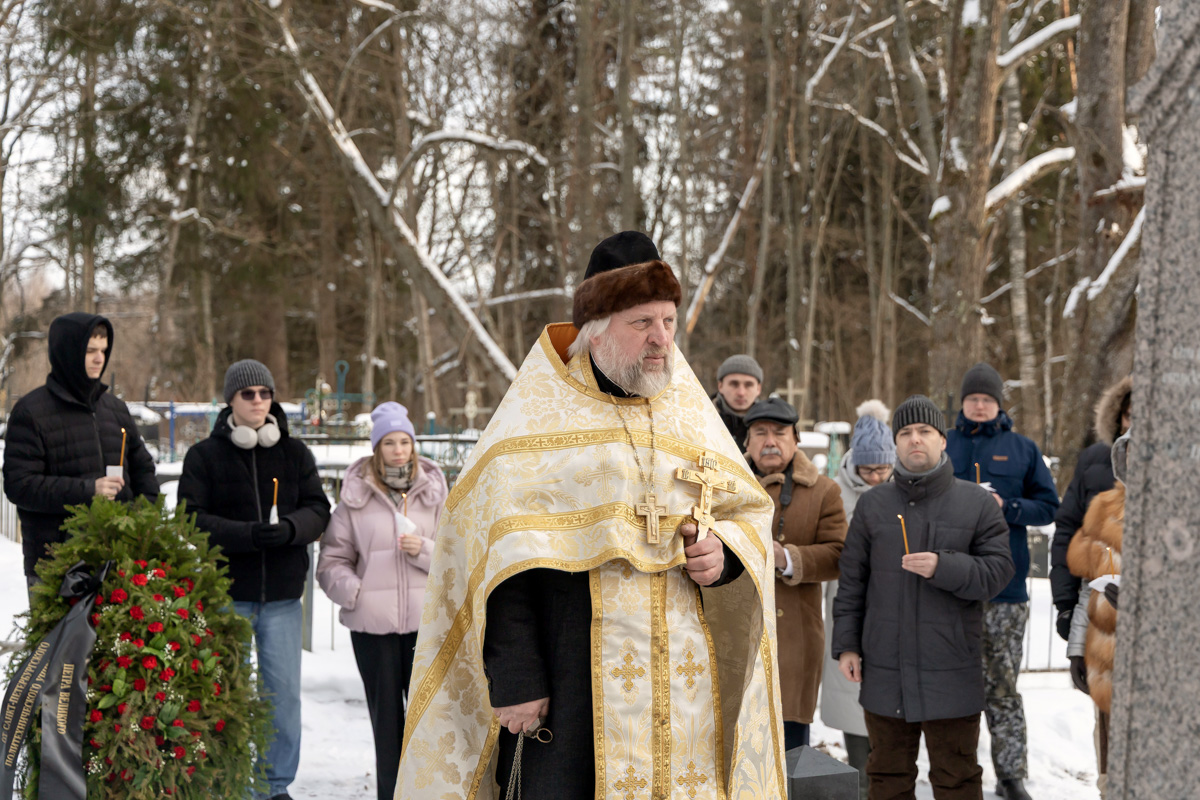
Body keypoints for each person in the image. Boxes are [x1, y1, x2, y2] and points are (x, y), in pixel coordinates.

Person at [396, 231, 783, 800]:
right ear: (597, 329)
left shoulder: (688, 414)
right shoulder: (535, 421)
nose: (662, 340)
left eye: (669, 321)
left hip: (680, 693)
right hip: (569, 679)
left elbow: (746, 511)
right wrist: (517, 677)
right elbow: (498, 561)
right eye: (642, 323)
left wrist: (722, 553)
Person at [833, 394, 1014, 800]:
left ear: (942, 440)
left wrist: (943, 567)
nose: (916, 439)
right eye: (906, 432)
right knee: (888, 778)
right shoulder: (873, 505)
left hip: (951, 668)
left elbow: (998, 571)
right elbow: (852, 582)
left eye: (925, 431)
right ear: (895, 442)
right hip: (885, 669)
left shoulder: (977, 504)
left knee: (957, 780)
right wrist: (847, 645)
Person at [177, 359, 331, 800]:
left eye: (265, 393)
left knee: (282, 699)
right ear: (230, 401)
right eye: (249, 394)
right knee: (225, 698)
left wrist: (290, 530)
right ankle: (227, 782)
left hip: (283, 599)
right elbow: (190, 519)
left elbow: (319, 510)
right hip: (227, 598)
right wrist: (245, 536)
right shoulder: (204, 456)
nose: (259, 402)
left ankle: (272, 785)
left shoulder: (295, 453)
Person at [316, 401, 448, 800]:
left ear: (413, 446)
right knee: (386, 724)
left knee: (427, 722)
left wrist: (423, 550)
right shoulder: (354, 500)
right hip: (372, 630)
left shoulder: (434, 494)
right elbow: (331, 562)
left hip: (425, 629)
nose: (398, 450)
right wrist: (357, 593)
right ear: (377, 448)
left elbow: (457, 555)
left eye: (404, 441)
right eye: (389, 442)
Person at [944, 363, 1059, 800]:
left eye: (986, 399)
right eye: (972, 399)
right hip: (950, 588)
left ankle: (1011, 775)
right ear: (963, 402)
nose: (979, 405)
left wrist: (1005, 505)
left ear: (997, 404)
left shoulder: (1022, 449)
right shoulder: (945, 444)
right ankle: (955, 771)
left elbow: (1048, 507)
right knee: (952, 685)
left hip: (1005, 592)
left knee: (1003, 686)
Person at [2, 312, 158, 602]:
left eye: (103, 350)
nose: (99, 358)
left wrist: (140, 519)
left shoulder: (115, 409)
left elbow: (143, 468)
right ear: (66, 352)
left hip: (118, 558)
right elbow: (20, 485)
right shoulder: (31, 412)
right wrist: (89, 490)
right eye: (89, 351)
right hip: (55, 565)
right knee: (58, 649)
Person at [744, 397, 846, 752]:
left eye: (779, 432)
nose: (770, 441)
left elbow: (839, 554)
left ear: (796, 439)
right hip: (735, 638)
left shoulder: (825, 492)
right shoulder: (725, 485)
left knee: (789, 752)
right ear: (747, 442)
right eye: (760, 433)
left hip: (794, 642)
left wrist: (785, 557)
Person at [824, 399, 894, 799]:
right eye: (868, 469)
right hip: (849, 603)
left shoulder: (901, 488)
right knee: (852, 695)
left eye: (882, 469)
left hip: (890, 605)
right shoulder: (837, 493)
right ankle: (861, 777)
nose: (875, 476)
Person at [1065, 430, 1130, 800]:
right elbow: (1088, 587)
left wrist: (1141, 606)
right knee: (1110, 776)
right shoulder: (1104, 507)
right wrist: (1077, 649)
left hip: (1171, 675)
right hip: (1109, 663)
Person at [1050, 376, 1131, 640]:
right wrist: (1065, 605)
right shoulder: (1093, 461)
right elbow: (1067, 531)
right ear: (1118, 419)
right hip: (1097, 612)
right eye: (1130, 416)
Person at [712, 353, 763, 450]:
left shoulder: (769, 424)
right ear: (720, 386)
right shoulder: (701, 419)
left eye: (748, 385)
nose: (741, 393)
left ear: (758, 389)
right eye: (734, 384)